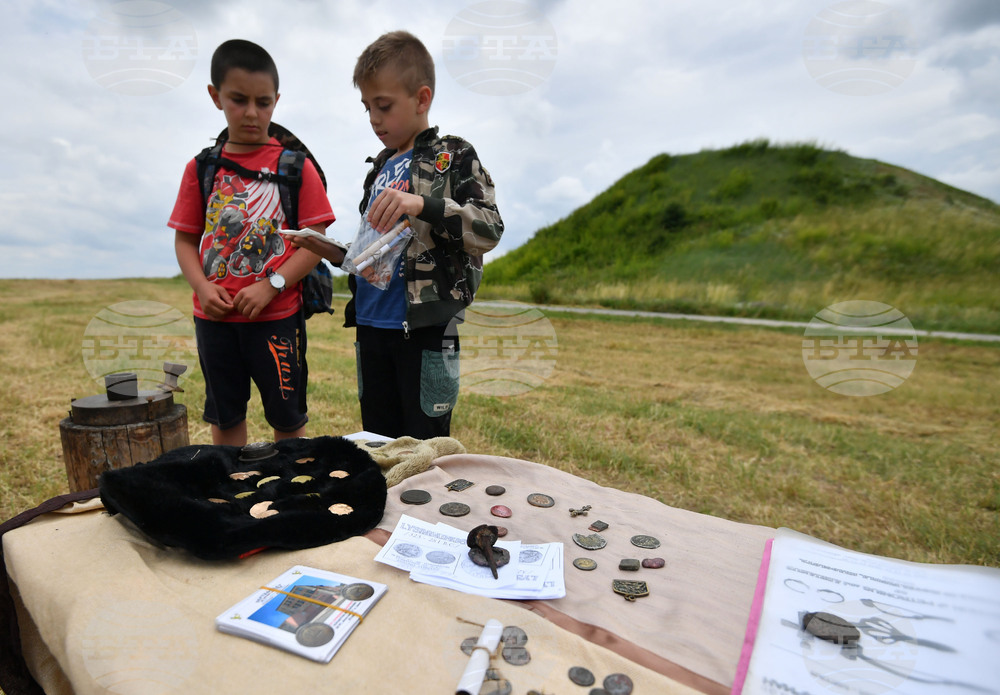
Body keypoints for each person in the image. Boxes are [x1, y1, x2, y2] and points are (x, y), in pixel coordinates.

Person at [291, 30, 503, 439]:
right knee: (379, 445)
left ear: (422, 99)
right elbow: (376, 252)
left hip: (424, 332)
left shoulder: (453, 156)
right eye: (367, 107)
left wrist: (421, 204)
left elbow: (489, 228)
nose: (374, 118)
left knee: (426, 451)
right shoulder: (379, 169)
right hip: (370, 327)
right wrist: (332, 251)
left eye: (383, 106)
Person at [168, 39, 335, 446]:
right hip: (214, 320)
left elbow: (316, 243)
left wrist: (271, 285)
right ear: (215, 96)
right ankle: (233, 494)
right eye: (238, 100)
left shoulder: (295, 168)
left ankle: (290, 494)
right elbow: (186, 241)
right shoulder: (201, 168)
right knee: (225, 419)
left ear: (276, 101)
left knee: (289, 420)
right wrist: (203, 288)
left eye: (263, 102)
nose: (251, 113)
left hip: (276, 318)